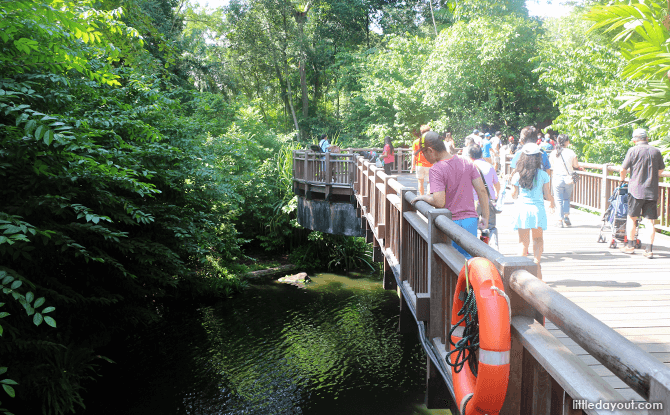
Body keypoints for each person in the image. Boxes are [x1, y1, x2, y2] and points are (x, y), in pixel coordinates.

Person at [410, 132, 490, 259]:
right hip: (470, 221)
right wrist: (485, 217)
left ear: (430, 150)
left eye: (423, 153)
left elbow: (439, 202)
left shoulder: (436, 169)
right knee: (469, 262)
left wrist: (424, 197)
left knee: (451, 262)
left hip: (449, 223)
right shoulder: (467, 162)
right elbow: (482, 190)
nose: (423, 156)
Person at [619, 128, 666, 258]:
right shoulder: (656, 151)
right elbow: (661, 169)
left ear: (634, 140)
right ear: (647, 138)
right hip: (651, 191)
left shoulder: (632, 151)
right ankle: (649, 249)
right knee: (650, 221)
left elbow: (623, 169)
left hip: (635, 190)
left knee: (631, 218)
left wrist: (622, 179)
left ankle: (630, 246)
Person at [510, 143, 555, 264]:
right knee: (538, 239)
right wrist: (552, 202)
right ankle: (536, 266)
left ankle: (519, 269)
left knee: (523, 243)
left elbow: (513, 195)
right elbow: (547, 194)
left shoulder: (517, 175)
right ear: (537, 157)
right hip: (537, 210)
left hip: (522, 209)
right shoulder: (543, 175)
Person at [467, 144, 500, 246]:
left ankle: (473, 247)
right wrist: (496, 195)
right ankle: (494, 248)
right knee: (490, 227)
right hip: (488, 200)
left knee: (472, 226)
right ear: (481, 154)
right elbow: (497, 184)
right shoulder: (489, 166)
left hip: (473, 201)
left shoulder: (469, 167)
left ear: (470, 155)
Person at [549, 134, 581, 227]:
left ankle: (560, 220)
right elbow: (576, 165)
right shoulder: (571, 152)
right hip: (568, 178)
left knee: (558, 200)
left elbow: (551, 165)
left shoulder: (554, 153)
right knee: (567, 198)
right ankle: (566, 216)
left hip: (557, 177)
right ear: (567, 142)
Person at [410, 125, 433, 195]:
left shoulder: (416, 142)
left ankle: (422, 198)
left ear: (421, 132)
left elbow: (414, 154)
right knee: (429, 182)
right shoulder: (432, 142)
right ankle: (428, 197)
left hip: (419, 165)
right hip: (430, 164)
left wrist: (412, 165)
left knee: (420, 182)